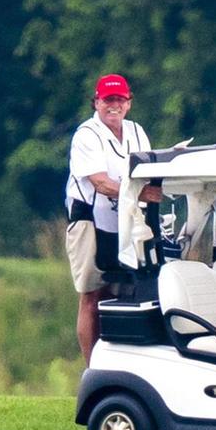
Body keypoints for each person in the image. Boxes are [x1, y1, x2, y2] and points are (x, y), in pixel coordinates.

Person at [65, 73, 160, 365]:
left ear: (128, 103)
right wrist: (142, 195)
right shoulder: (87, 134)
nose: (113, 106)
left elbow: (147, 170)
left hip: (125, 221)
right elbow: (100, 183)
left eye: (119, 100)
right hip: (89, 221)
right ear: (97, 102)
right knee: (92, 295)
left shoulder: (136, 132)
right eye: (108, 100)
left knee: (123, 292)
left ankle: (117, 364)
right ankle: (92, 368)